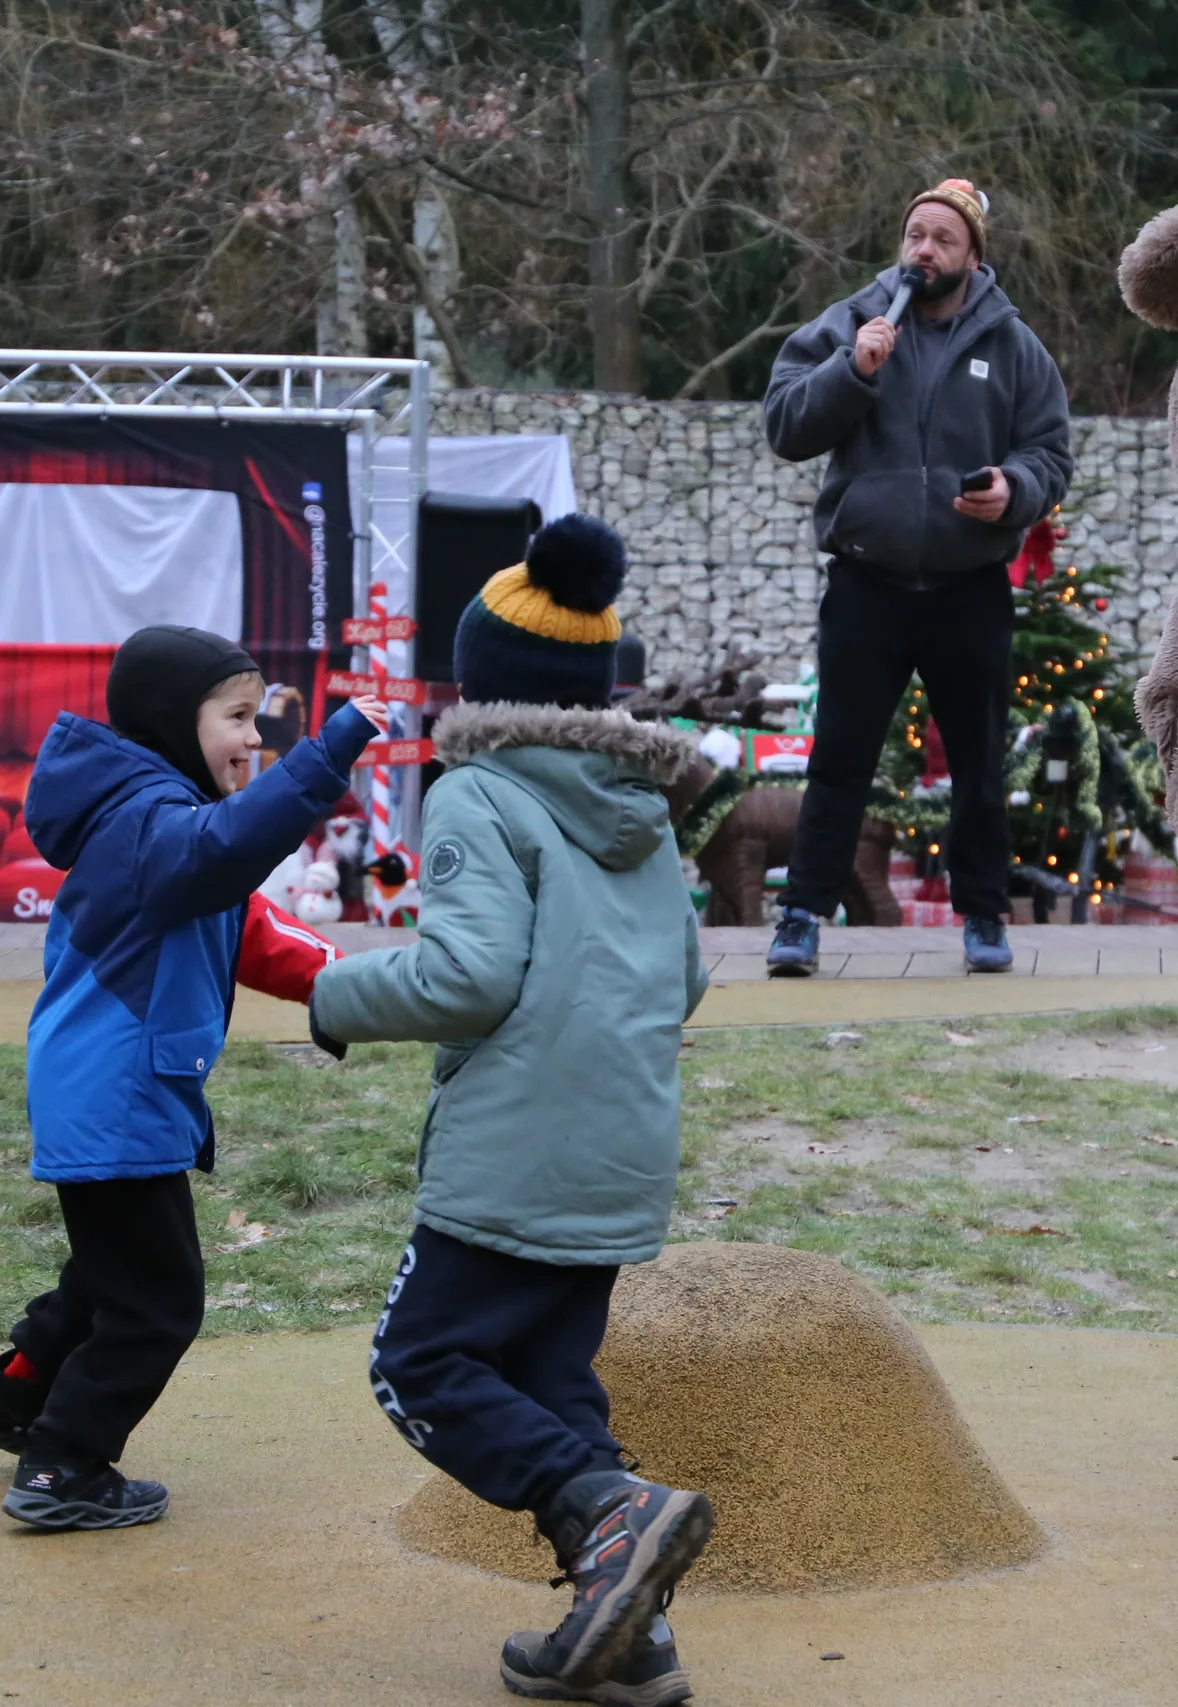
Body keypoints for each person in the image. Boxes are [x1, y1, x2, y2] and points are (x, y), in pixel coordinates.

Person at [307, 515, 714, 1706]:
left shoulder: (478, 795)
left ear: (481, 679)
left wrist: (334, 994)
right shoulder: (640, 806)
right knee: (549, 1385)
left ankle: (611, 1510)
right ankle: (627, 1638)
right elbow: (686, 972)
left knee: (418, 1363)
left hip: (515, 1142)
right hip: (622, 1146)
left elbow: (466, 978)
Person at [0, 626, 384, 1530]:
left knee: (108, 1276)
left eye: (260, 719)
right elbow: (230, 854)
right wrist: (325, 751)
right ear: (169, 724)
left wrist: (351, 986)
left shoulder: (163, 821)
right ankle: (64, 1465)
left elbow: (252, 930)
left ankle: (5, 1402)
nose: (254, 738)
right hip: (118, 1094)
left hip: (110, 1091)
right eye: (236, 717)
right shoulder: (152, 822)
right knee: (161, 1299)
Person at [762, 176, 1074, 975]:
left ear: (974, 257)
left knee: (977, 764)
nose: (923, 250)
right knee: (839, 760)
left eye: (942, 239)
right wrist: (854, 371)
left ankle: (982, 919)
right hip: (868, 585)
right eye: (915, 236)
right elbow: (785, 423)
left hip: (968, 591)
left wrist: (1015, 492)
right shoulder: (855, 323)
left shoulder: (1013, 345)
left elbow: (1049, 453)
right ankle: (800, 916)